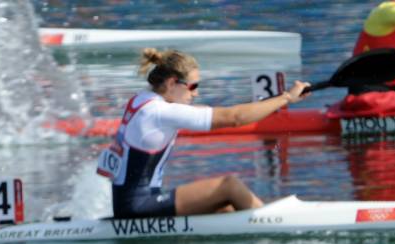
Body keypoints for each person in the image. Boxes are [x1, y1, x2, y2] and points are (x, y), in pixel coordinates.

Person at [97, 48, 310, 218]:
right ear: (172, 83)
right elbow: (234, 118)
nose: (196, 92)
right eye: (193, 86)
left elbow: (220, 113)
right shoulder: (160, 112)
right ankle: (273, 226)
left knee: (225, 208)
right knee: (229, 186)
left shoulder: (142, 101)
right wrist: (285, 99)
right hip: (138, 206)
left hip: (131, 202)